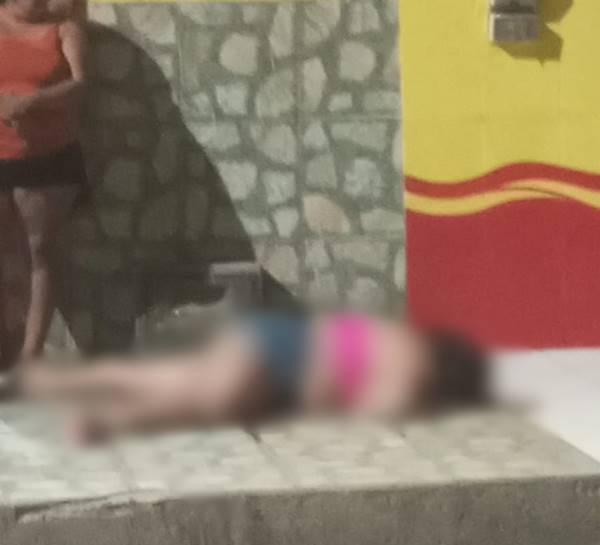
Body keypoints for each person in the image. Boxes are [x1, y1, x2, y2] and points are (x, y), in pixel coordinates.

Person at [22, 311, 489, 444]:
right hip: (280, 358)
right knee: (205, 402)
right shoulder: (413, 367)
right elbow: (381, 407)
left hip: (278, 343)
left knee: (172, 378)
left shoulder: (400, 341)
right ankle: (108, 420)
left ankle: (52, 383)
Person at [0, 0, 88, 367]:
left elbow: (80, 85)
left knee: (40, 252)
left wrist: (35, 101)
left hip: (47, 159)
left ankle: (30, 357)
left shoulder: (64, 28)